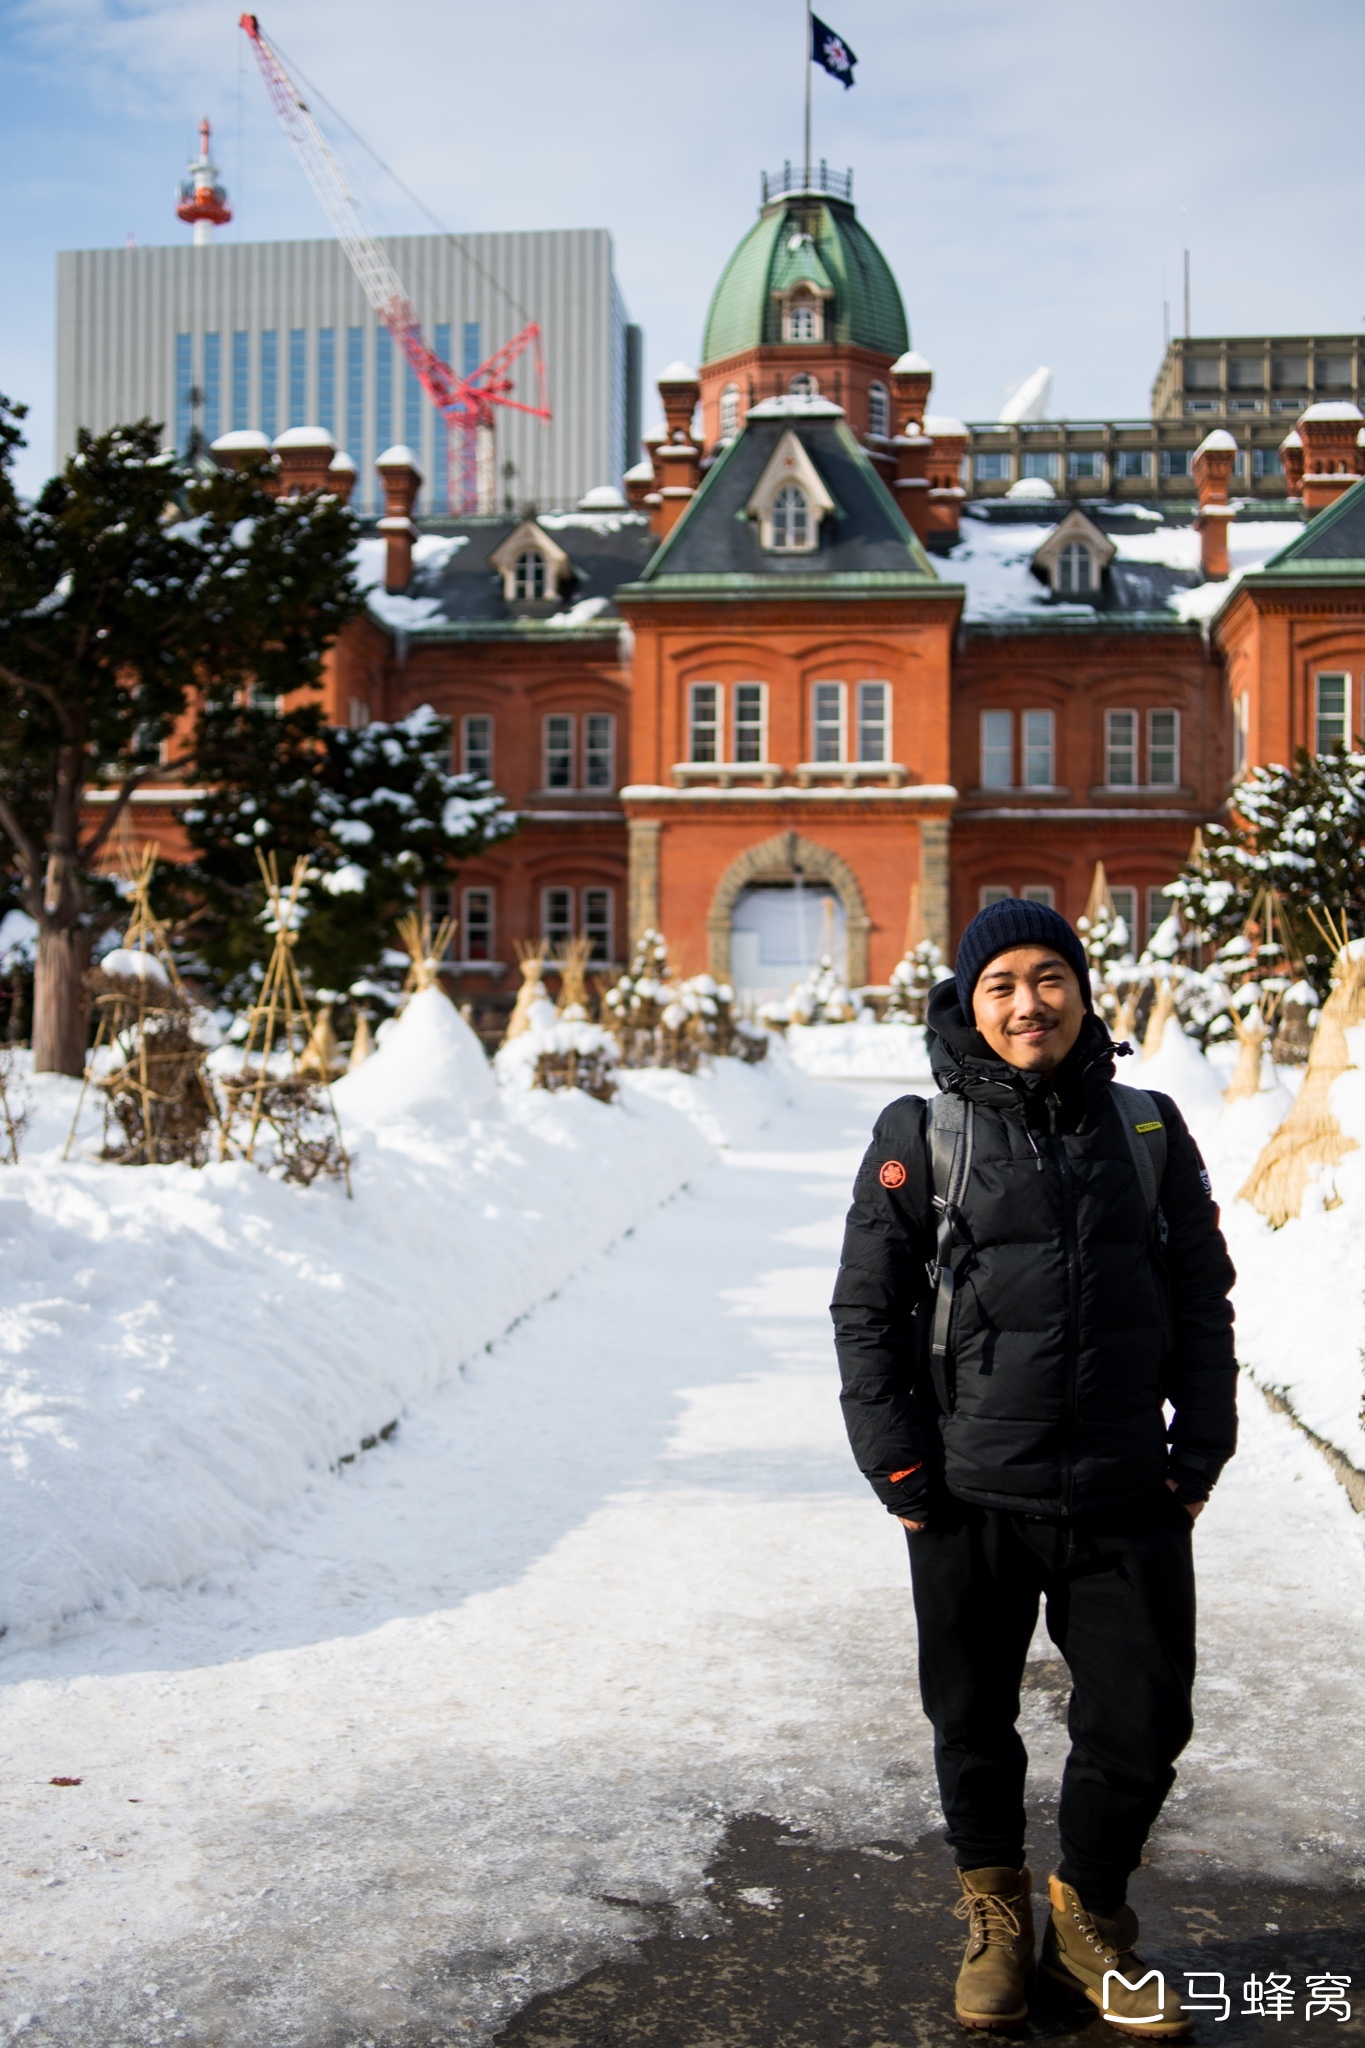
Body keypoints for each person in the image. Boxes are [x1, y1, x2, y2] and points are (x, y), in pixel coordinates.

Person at [830, 898, 1236, 2037]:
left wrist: (1197, 1450)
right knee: (971, 1716)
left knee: (1143, 1717)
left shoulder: (1147, 1128)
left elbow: (1203, 1301)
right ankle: (997, 1916)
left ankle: (1089, 1916)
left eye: (1049, 976)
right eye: (1002, 980)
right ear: (970, 998)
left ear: (1082, 990)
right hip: (968, 1491)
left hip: (1125, 1485)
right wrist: (899, 1464)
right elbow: (868, 1310)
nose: (1028, 1001)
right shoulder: (923, 1133)